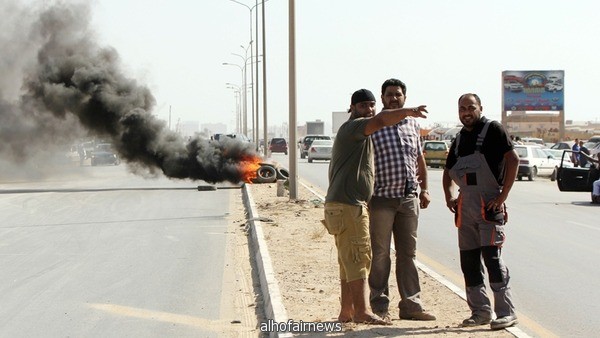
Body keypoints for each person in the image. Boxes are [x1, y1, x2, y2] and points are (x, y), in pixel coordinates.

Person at [323, 88, 427, 324]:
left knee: (349, 262)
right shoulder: (355, 128)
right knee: (359, 259)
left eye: (371, 105)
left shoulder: (360, 133)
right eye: (363, 106)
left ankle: (347, 312)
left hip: (346, 205)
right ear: (352, 108)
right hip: (349, 206)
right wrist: (409, 111)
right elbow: (380, 120)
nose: (368, 110)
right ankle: (362, 312)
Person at [442, 93, 520, 330]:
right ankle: (480, 312)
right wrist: (449, 196)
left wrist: (503, 195)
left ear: (480, 108)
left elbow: (513, 159)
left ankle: (506, 312)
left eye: (471, 107)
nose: (466, 112)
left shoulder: (493, 129)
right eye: (462, 108)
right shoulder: (459, 139)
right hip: (465, 208)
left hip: (489, 205)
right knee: (469, 262)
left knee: (493, 259)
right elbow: (448, 172)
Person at [368, 78, 435, 321]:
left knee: (408, 254)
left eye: (398, 94)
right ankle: (379, 306)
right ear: (382, 98)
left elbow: (420, 160)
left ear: (404, 97)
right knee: (381, 254)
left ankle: (411, 305)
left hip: (408, 199)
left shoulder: (412, 125)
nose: (393, 98)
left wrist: (424, 189)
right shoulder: (374, 125)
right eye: (389, 95)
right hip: (381, 199)